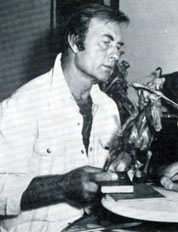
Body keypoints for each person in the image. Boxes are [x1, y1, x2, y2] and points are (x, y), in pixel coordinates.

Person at [0, 3, 130, 231]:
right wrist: (60, 186)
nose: (115, 54)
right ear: (74, 42)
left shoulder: (108, 107)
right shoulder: (23, 105)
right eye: (106, 43)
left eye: (118, 47)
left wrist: (123, 167)